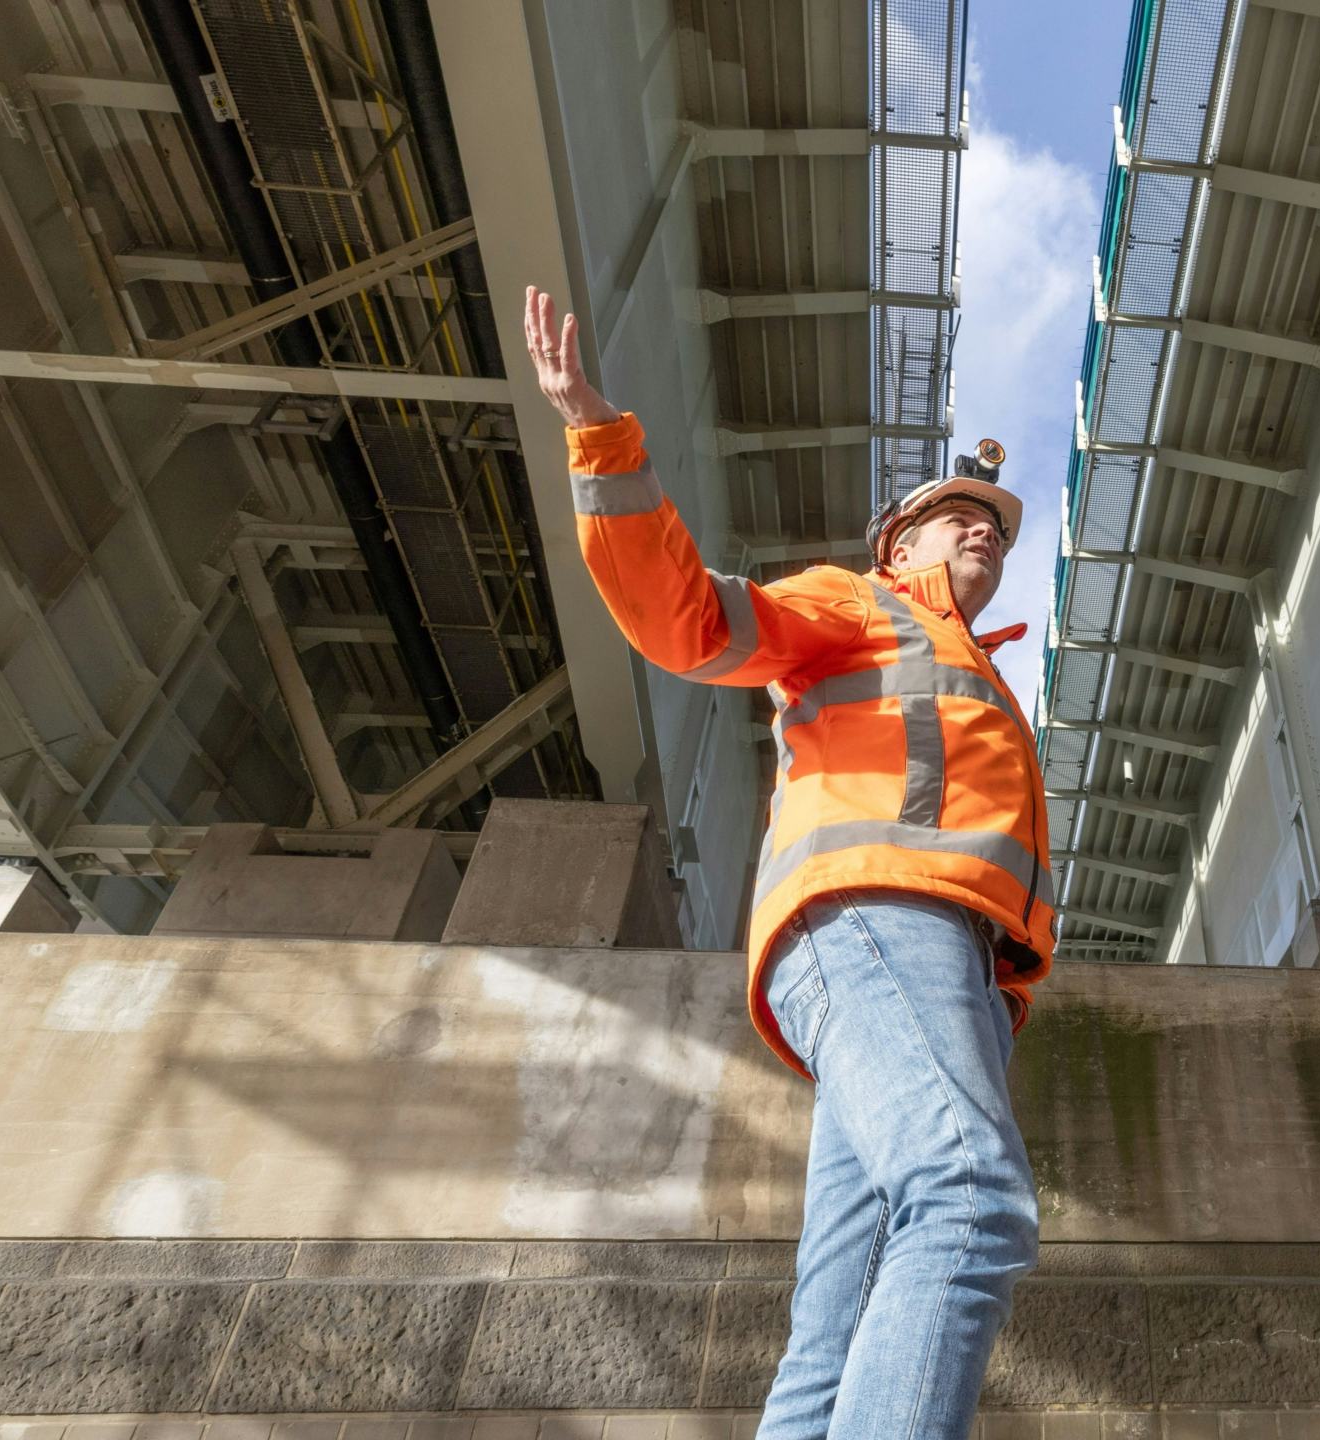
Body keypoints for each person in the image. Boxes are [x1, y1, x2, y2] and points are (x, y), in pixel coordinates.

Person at [523, 287, 1056, 1436]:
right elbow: (690, 625)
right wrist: (603, 443)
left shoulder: (986, 675)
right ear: (897, 543)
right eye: (958, 514)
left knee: (840, 1311)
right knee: (970, 1204)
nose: (986, 531)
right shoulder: (856, 604)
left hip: (915, 961)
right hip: (879, 928)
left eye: (999, 527)